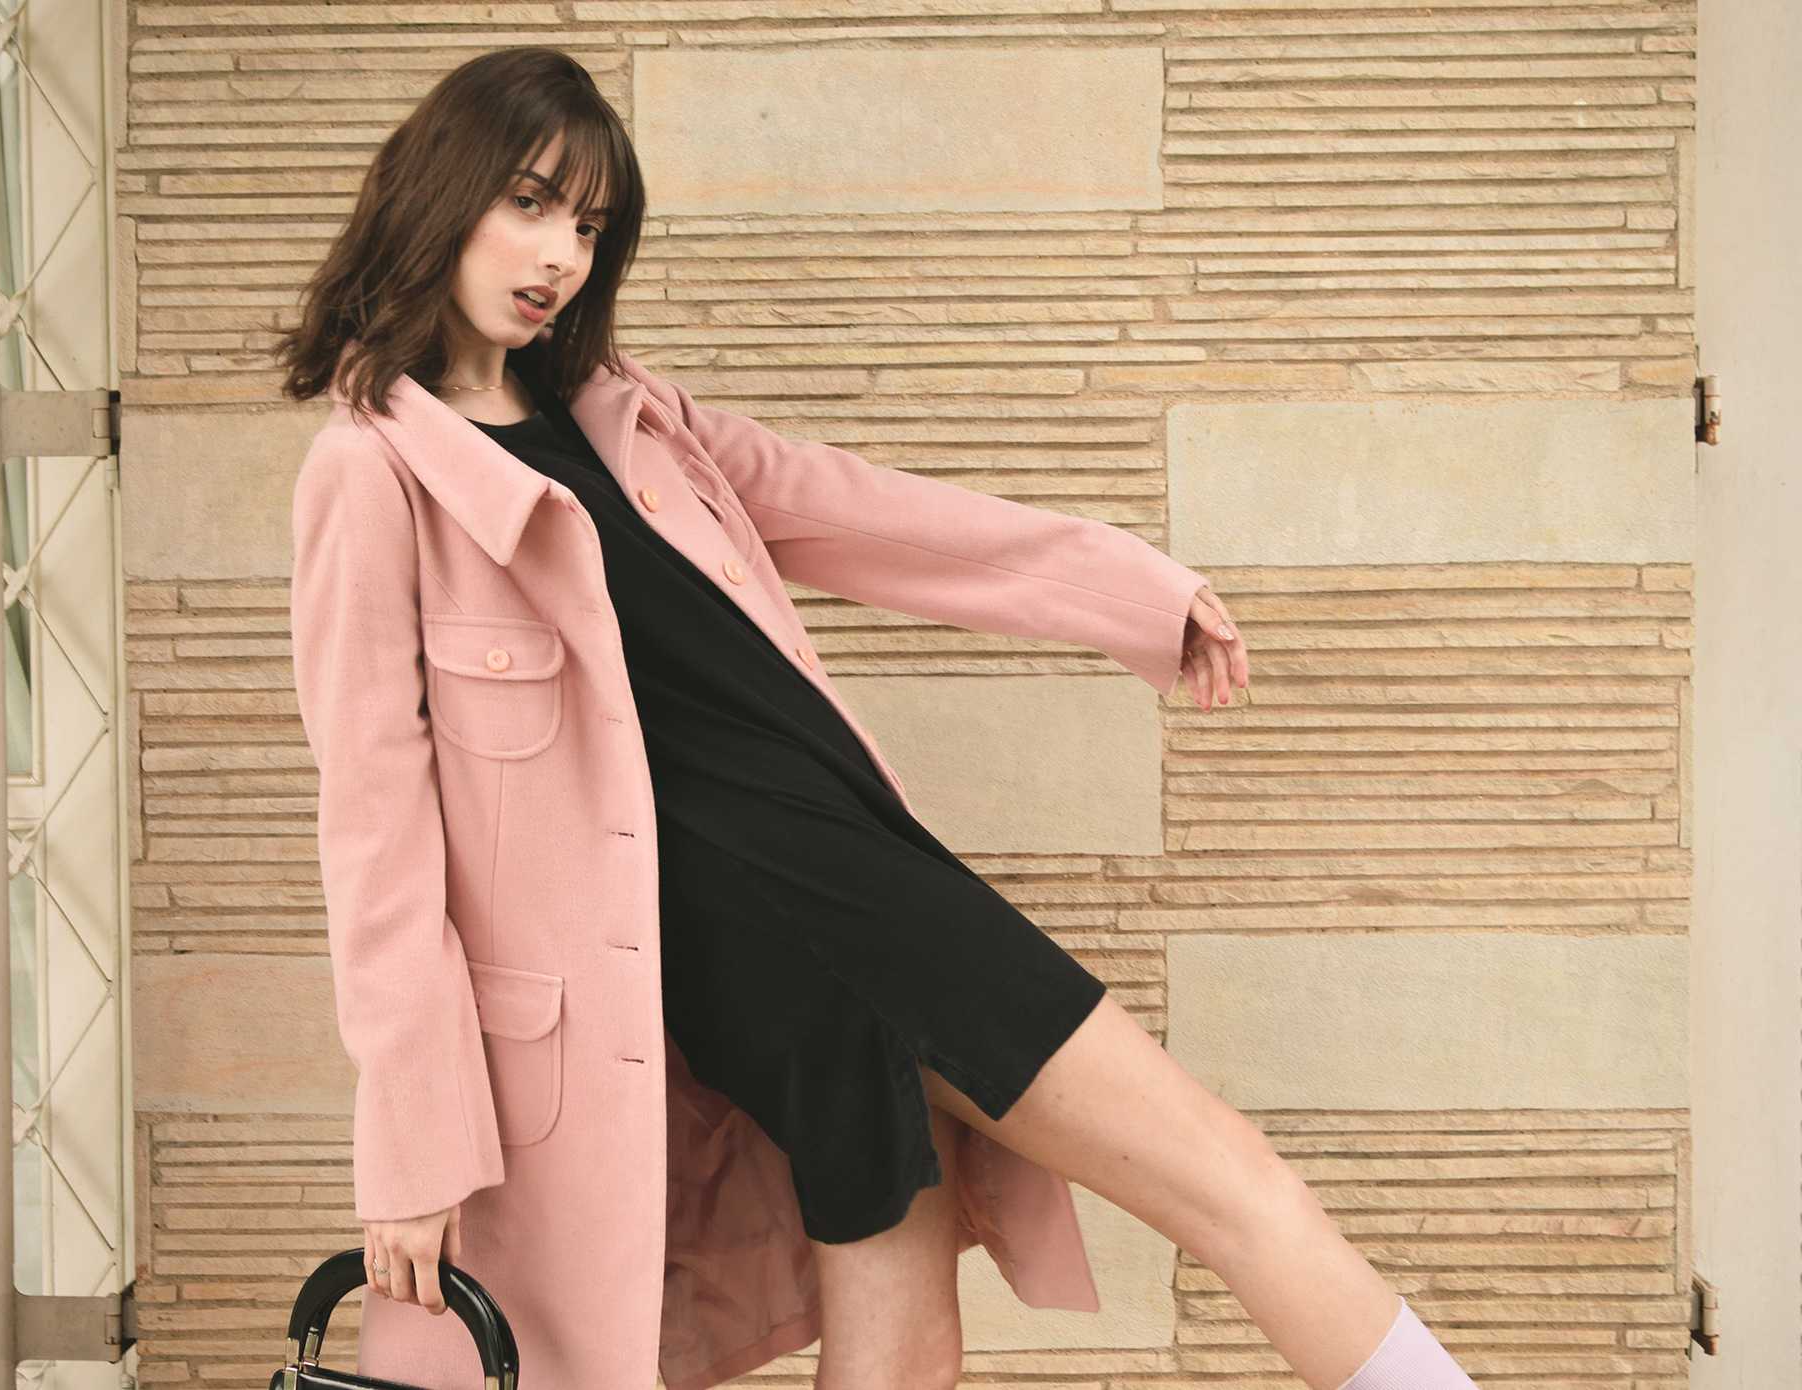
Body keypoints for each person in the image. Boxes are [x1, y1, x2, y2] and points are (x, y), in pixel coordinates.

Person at [272, 45, 1481, 1390]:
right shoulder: (373, 477)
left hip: (842, 885)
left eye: (590, 226)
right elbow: (377, 841)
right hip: (784, 921)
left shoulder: (627, 415)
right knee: (1232, 1185)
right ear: (442, 192)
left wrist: (1129, 588)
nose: (560, 254)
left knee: (917, 1333)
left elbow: (861, 511)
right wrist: (413, 1146)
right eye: (530, 203)